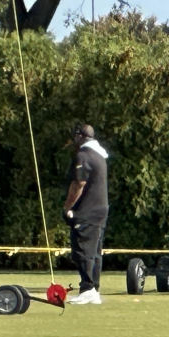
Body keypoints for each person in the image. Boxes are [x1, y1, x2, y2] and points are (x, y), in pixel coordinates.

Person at [63, 123, 109, 305]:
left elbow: (78, 184)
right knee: (95, 251)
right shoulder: (99, 154)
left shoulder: (84, 155)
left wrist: (67, 207)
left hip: (88, 211)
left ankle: (88, 288)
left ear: (80, 136)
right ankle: (92, 289)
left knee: (83, 250)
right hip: (100, 209)